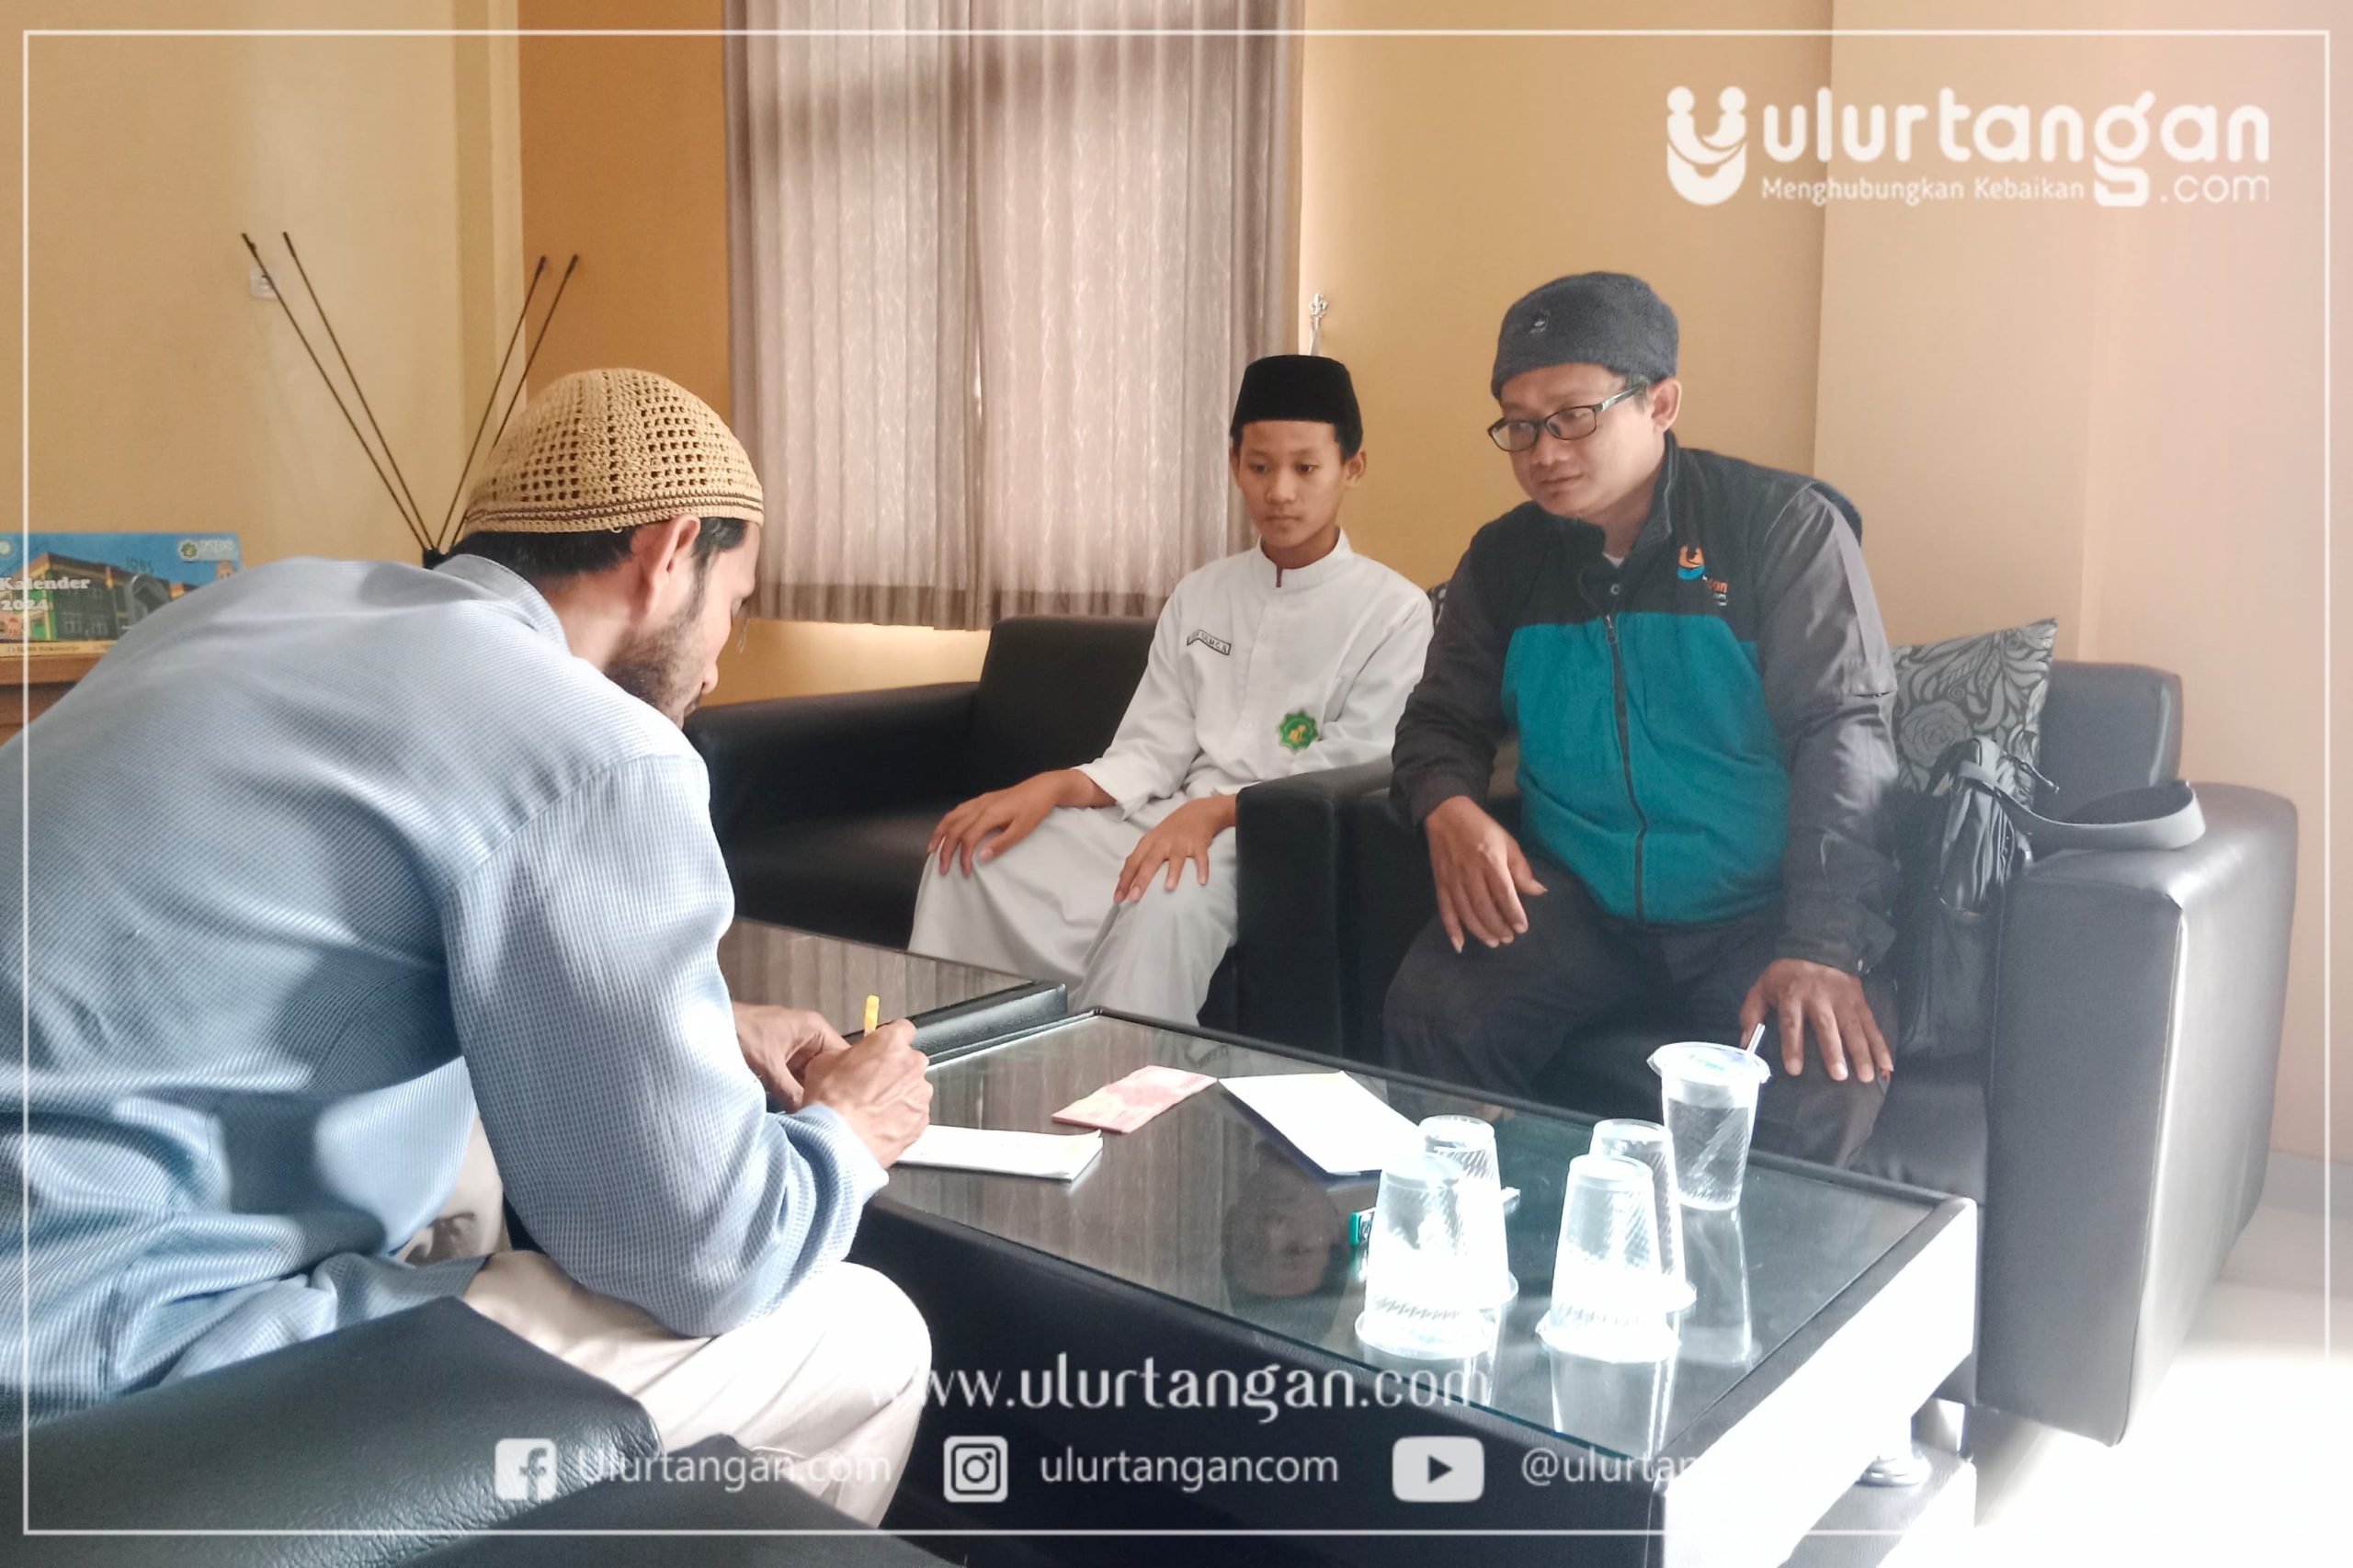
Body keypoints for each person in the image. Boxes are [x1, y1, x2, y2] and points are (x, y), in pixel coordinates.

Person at [2, 369, 933, 1524]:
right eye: (733, 603)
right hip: (95, 1367)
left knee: (477, 1158)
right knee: (862, 1334)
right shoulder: (596, 744)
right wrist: (845, 1132)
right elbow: (709, 1259)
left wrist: (698, 1026)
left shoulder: (252, 604)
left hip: (47, 1231)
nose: (719, 658)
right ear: (669, 549)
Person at [1383, 274, 1899, 1167]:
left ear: (1660, 403)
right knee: (1437, 1012)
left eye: (1573, 417)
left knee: (1816, 1080)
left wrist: (1822, 943)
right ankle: (1484, 1229)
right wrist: (1448, 806)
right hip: (1581, 901)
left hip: (1756, 907)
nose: (1543, 452)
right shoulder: (1504, 559)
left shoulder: (1780, 528)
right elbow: (1438, 722)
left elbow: (1844, 736)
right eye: (1519, 425)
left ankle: (1728, 1265)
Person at [909, 354, 1434, 1025]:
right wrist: (1053, 786)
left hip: (1273, 839)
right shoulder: (1202, 593)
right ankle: (956, 1053)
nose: (1280, 492)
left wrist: (1216, 812)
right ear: (1234, 464)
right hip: (1168, 814)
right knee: (971, 854)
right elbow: (1153, 746)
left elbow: (1352, 766)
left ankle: (1110, 1075)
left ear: (1351, 467)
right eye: (1260, 466)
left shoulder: (1393, 611)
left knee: (1164, 895)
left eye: (1306, 468)